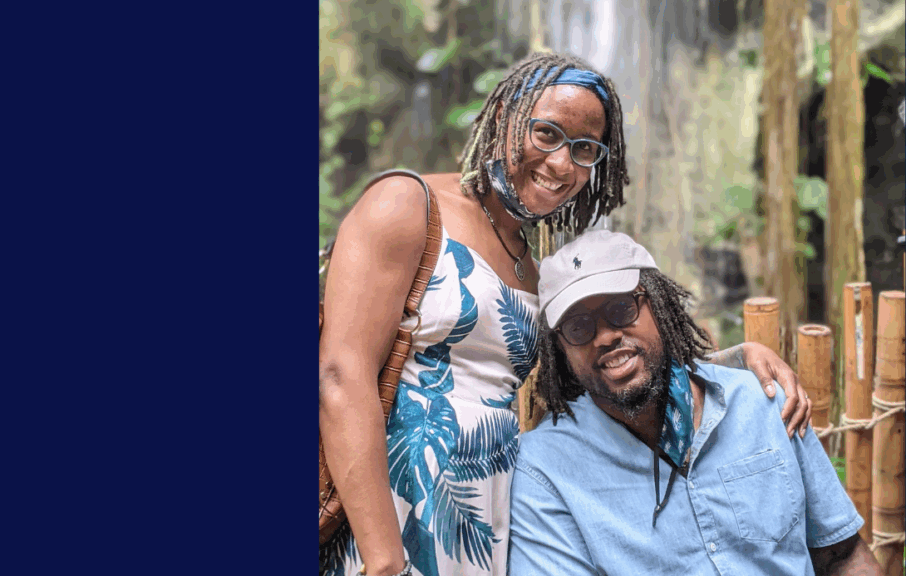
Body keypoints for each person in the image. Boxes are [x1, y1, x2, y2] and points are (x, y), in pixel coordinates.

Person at [319, 52, 812, 576]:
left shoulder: (533, 268)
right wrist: (382, 557)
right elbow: (340, 374)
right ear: (504, 116)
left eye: (584, 149)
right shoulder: (407, 205)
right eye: (547, 134)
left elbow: (604, 367)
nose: (561, 165)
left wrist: (735, 360)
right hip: (389, 512)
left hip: (483, 519)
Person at [508, 230, 879, 575]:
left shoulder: (763, 404)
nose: (605, 336)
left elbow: (843, 555)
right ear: (561, 350)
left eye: (621, 308)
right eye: (578, 327)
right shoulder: (546, 470)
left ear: (659, 304)